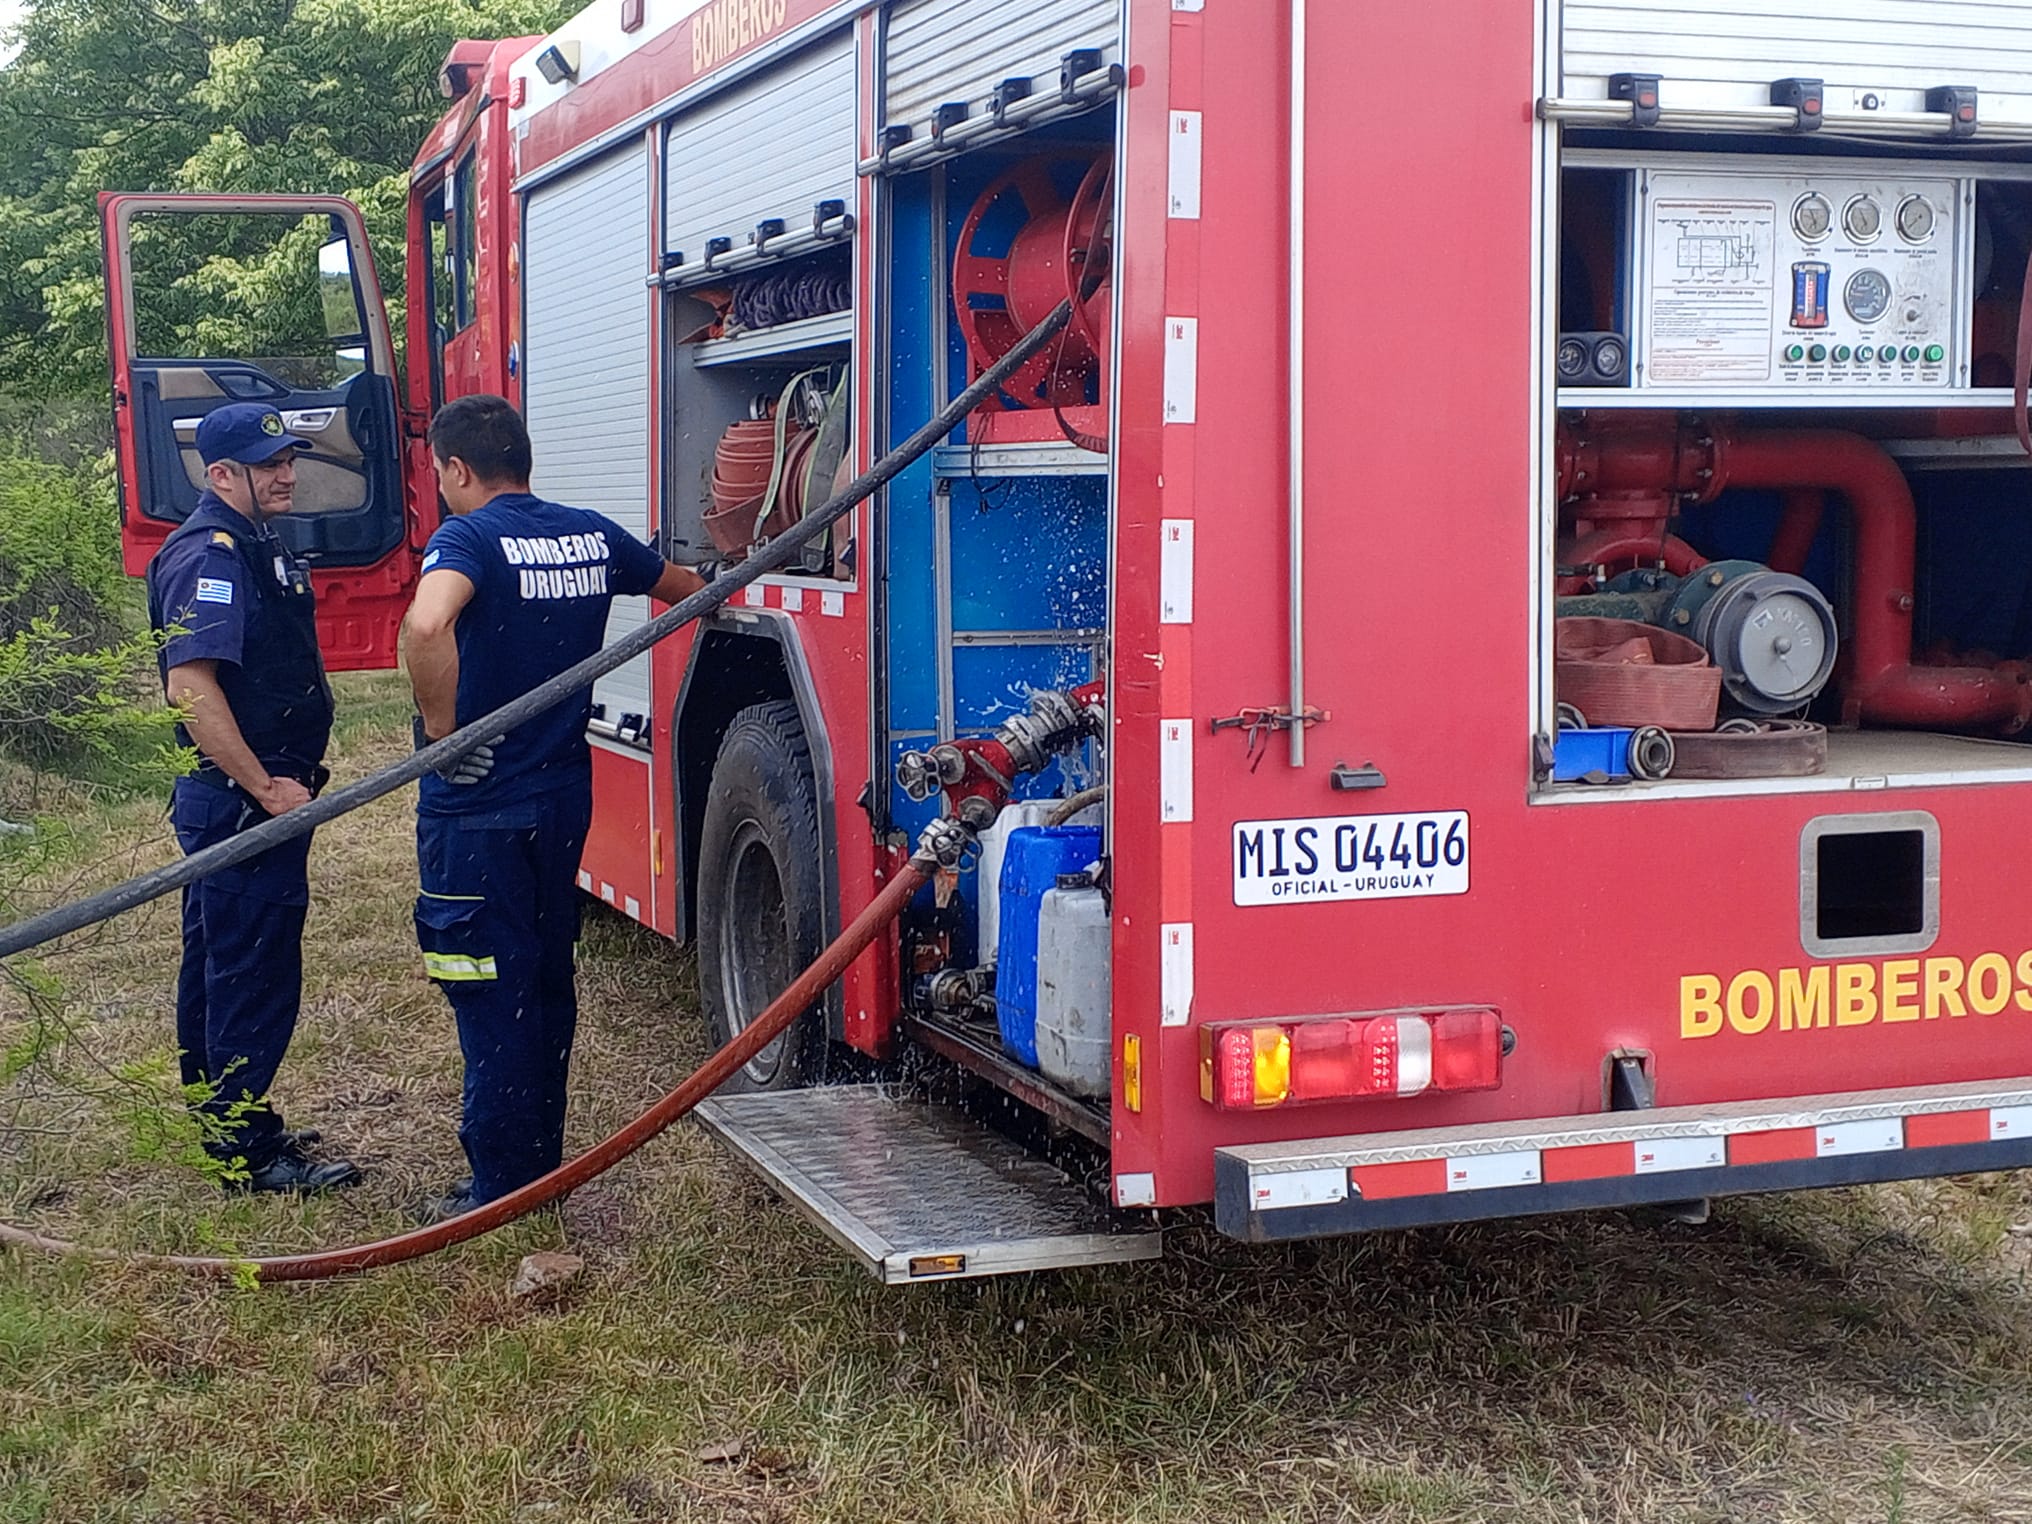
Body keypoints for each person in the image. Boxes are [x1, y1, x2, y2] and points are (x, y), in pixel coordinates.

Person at [402, 394, 706, 1220]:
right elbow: (691, 591)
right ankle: (539, 1165)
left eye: (439, 475)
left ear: (459, 469)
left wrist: (444, 733)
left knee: (487, 987)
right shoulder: (591, 533)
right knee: (544, 979)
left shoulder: (465, 537)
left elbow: (427, 625)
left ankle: (499, 1189)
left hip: (478, 813)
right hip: (561, 799)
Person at [145, 402, 362, 1194]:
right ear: (220, 474)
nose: (287, 473)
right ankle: (247, 1153)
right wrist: (263, 786)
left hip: (247, 801)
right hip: (242, 803)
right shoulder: (210, 555)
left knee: (223, 959)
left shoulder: (252, 544)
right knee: (249, 969)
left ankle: (234, 1121)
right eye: (268, 464)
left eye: (288, 459)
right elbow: (190, 687)